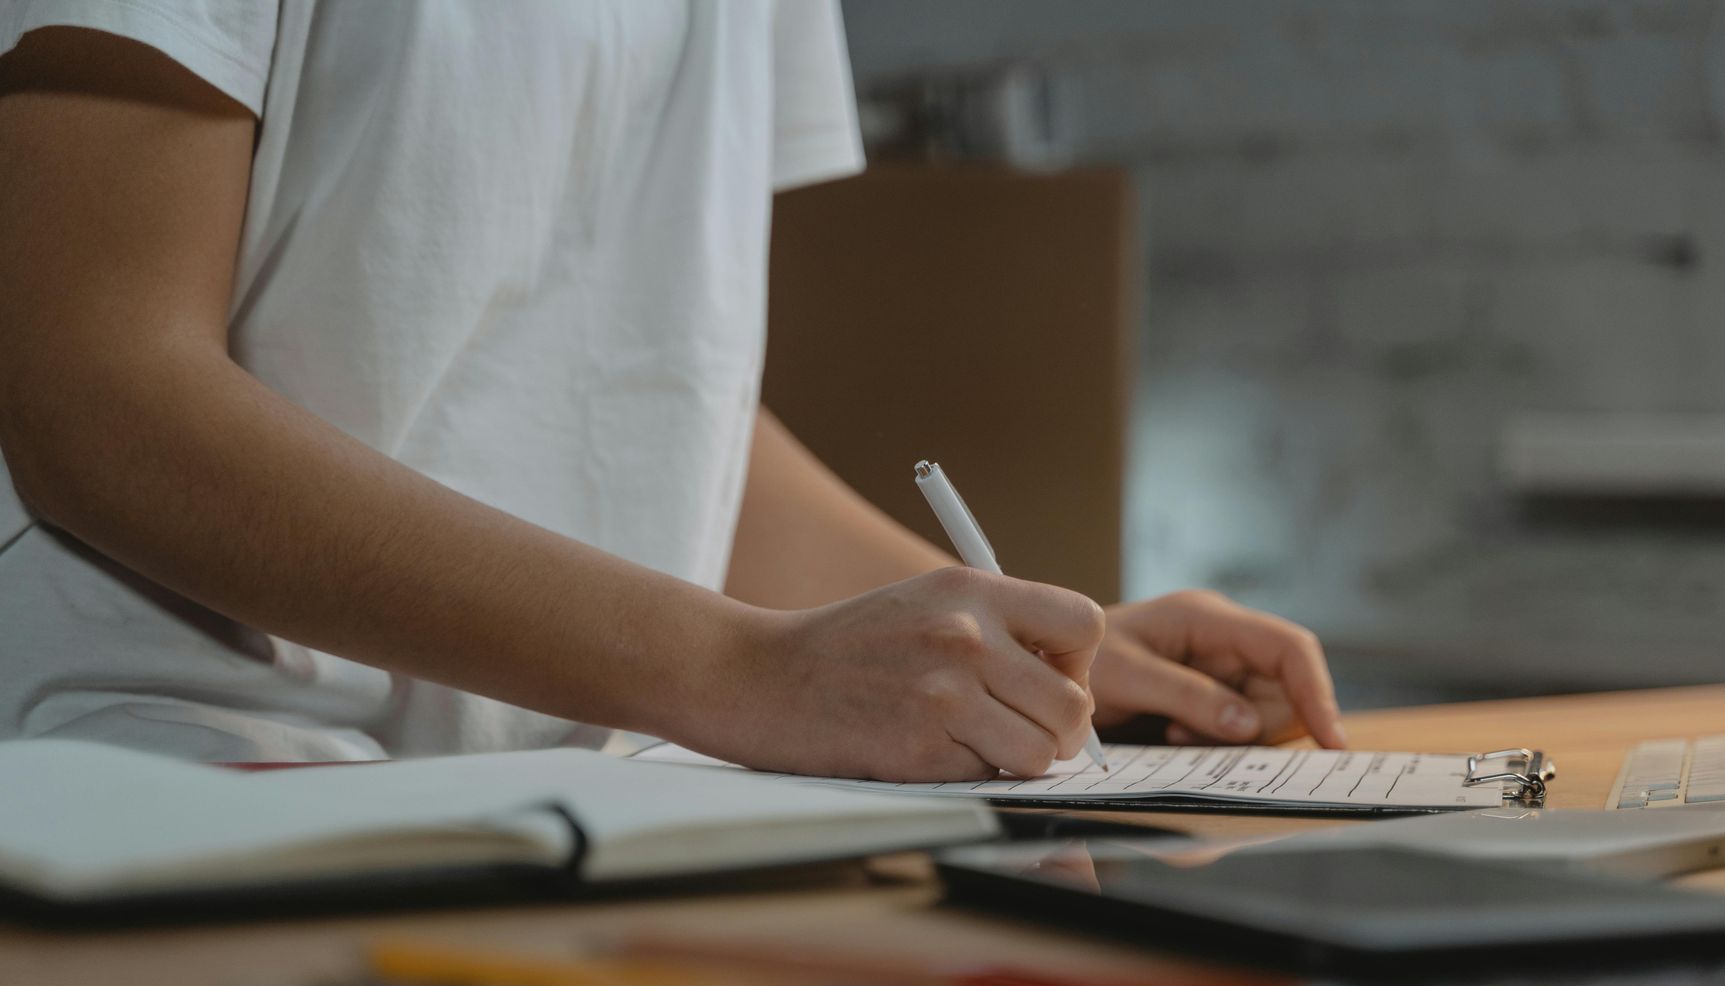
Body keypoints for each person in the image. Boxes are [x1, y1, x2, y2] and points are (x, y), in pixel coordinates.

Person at [0, 1, 1344, 778]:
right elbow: (93, 395)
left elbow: (656, 414)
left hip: (589, 812)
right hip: (178, 806)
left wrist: (1036, 660)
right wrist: (736, 670)